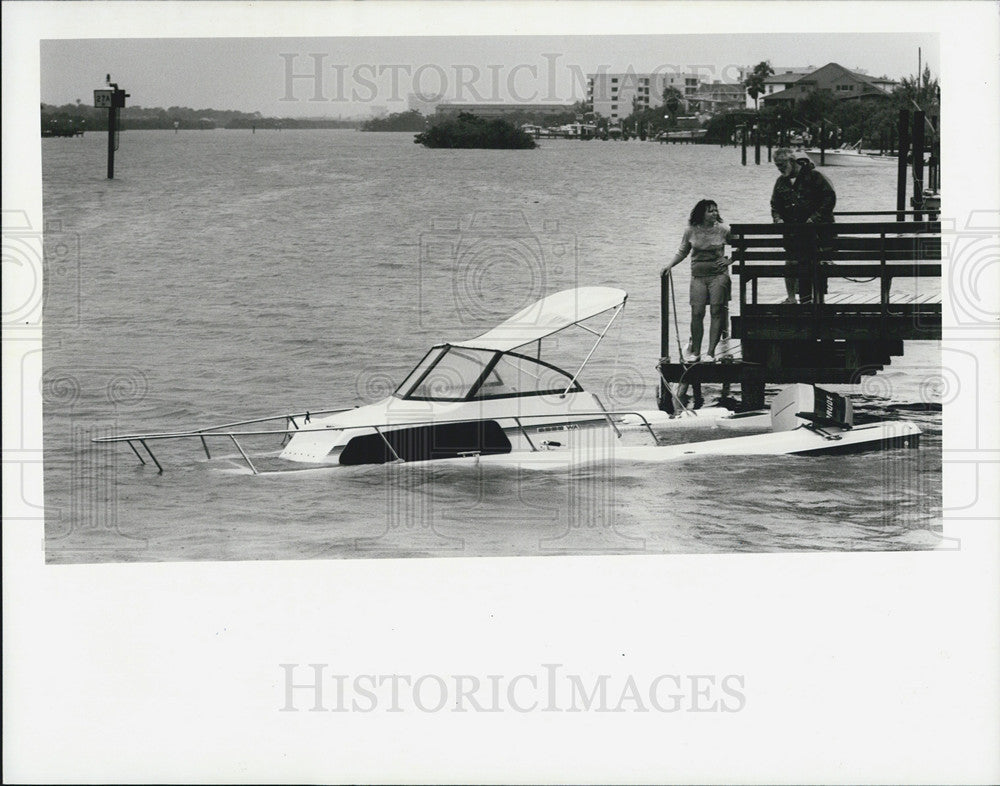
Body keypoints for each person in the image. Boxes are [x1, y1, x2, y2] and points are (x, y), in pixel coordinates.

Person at [661, 199, 734, 363]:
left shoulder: (723, 229)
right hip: (698, 276)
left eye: (716, 210)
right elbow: (682, 251)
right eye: (710, 211)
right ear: (701, 214)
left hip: (718, 275)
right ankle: (696, 352)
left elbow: (741, 244)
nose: (714, 213)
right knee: (697, 312)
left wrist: (730, 260)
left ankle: (711, 352)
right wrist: (669, 266)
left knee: (716, 311)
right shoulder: (691, 230)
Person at [770, 148, 837, 304]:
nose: (779, 168)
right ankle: (798, 299)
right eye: (777, 165)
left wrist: (815, 218)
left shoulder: (815, 177)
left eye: (782, 164)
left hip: (817, 235)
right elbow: (775, 204)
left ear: (792, 161)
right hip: (794, 235)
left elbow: (829, 198)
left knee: (814, 263)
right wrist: (777, 218)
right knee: (792, 261)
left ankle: (816, 300)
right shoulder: (781, 182)